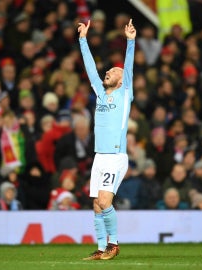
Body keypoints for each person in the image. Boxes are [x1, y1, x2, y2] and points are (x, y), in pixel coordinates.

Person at [78, 18, 136, 260]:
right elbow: (90, 68)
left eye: (113, 71)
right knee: (96, 205)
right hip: (99, 156)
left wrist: (130, 42)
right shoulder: (101, 94)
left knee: (104, 200)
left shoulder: (125, 93)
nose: (107, 72)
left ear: (122, 80)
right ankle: (101, 248)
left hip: (115, 156)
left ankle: (113, 243)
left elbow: (128, 68)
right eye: (108, 70)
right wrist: (82, 40)